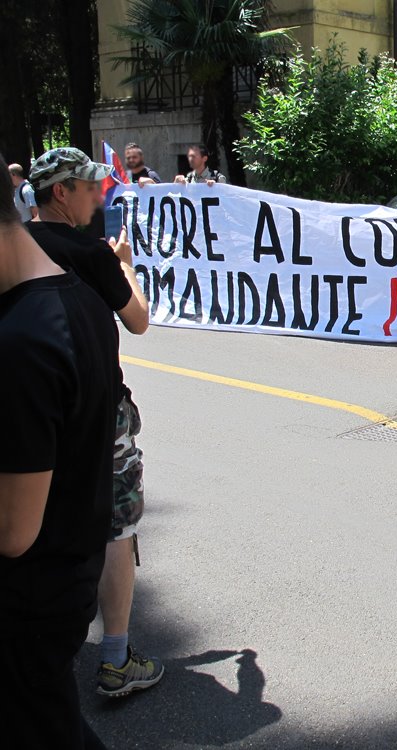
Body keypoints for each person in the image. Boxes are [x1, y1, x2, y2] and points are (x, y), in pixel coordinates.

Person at [26, 147, 164, 698]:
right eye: (88, 187)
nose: (99, 194)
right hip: (98, 411)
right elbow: (138, 320)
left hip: (35, 405)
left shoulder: (18, 247)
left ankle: (37, 646)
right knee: (118, 525)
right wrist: (126, 265)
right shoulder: (92, 251)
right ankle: (116, 657)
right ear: (61, 193)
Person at [0, 153, 117, 749]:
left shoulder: (22, 342)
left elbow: (12, 531)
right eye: (93, 190)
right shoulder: (80, 296)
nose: (99, 198)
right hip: (68, 575)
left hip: (29, 601)